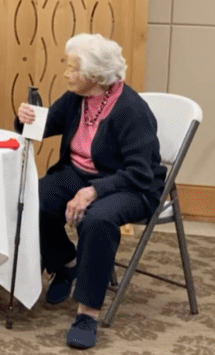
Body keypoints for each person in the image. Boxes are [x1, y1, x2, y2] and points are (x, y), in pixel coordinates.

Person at [17, 33, 164, 350]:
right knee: (36, 200)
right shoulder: (76, 98)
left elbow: (141, 171)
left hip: (130, 184)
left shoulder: (131, 110)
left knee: (96, 220)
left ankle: (87, 314)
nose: (66, 74)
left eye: (72, 68)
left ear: (95, 75)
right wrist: (25, 119)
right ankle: (66, 265)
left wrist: (94, 191)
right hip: (79, 174)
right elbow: (43, 127)